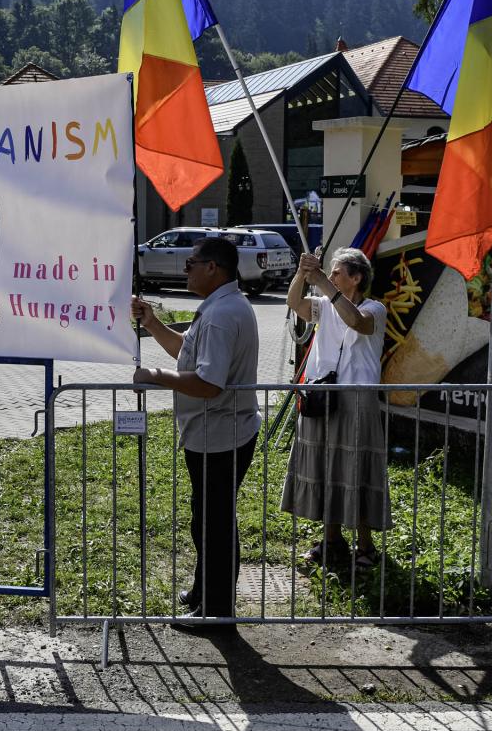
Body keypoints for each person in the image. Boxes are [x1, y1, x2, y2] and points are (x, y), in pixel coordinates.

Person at [131, 236, 259, 628]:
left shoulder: (221, 315)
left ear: (212, 268)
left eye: (190, 263)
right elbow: (186, 351)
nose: (185, 269)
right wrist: (152, 322)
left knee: (214, 524)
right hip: (217, 432)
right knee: (208, 518)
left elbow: (208, 383)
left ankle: (216, 612)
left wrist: (156, 376)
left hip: (220, 435)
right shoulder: (222, 306)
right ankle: (205, 592)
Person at [280, 246, 390, 568]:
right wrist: (302, 273)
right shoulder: (324, 306)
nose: (330, 277)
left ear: (356, 278)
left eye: (337, 272)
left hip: (356, 399)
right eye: (330, 272)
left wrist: (322, 282)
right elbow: (294, 303)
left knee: (356, 470)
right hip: (322, 396)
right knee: (326, 469)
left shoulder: (375, 309)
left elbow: (356, 321)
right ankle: (331, 542)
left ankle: (366, 547)